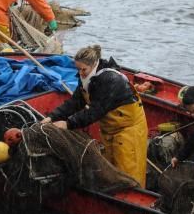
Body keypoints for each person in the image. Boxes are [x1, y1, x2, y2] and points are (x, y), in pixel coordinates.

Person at [43, 45, 148, 187]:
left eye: (84, 69)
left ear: (93, 65)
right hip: (109, 129)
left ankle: (136, 198)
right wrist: (52, 117)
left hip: (129, 128)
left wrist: (68, 124)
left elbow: (95, 111)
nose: (81, 73)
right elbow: (75, 102)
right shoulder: (85, 77)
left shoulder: (110, 79)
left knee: (128, 170)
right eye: (78, 69)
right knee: (110, 168)